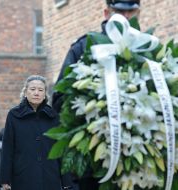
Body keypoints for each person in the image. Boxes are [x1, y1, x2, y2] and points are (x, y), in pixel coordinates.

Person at [52, 0, 140, 189]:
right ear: (106, 13)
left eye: (131, 12)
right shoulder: (83, 49)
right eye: (119, 11)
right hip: (93, 161)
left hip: (136, 160)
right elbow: (59, 100)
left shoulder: (146, 48)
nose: (125, 18)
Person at [0, 75, 73, 190]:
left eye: (40, 90)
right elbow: (7, 149)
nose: (36, 93)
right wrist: (5, 180)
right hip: (22, 176)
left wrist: (66, 182)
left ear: (45, 95)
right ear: (25, 92)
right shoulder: (14, 115)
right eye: (32, 89)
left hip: (50, 176)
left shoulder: (53, 116)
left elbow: (61, 150)